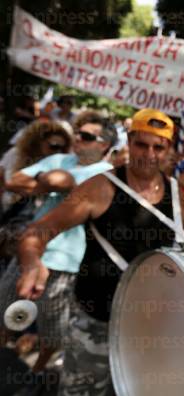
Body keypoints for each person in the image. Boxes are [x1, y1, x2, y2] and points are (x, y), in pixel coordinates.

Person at [16, 108, 184, 395]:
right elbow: (37, 232)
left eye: (159, 147)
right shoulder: (100, 187)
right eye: (141, 144)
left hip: (147, 331)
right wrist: (32, 263)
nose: (149, 154)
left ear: (169, 150)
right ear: (129, 142)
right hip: (96, 324)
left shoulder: (174, 193)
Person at [1, 111, 116, 372]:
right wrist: (47, 181)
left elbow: (63, 180)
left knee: (52, 331)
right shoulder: (60, 159)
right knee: (4, 311)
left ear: (104, 145)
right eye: (77, 133)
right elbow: (15, 180)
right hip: (30, 248)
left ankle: (37, 373)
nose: (77, 139)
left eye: (86, 136)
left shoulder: (106, 173)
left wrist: (44, 180)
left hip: (65, 263)